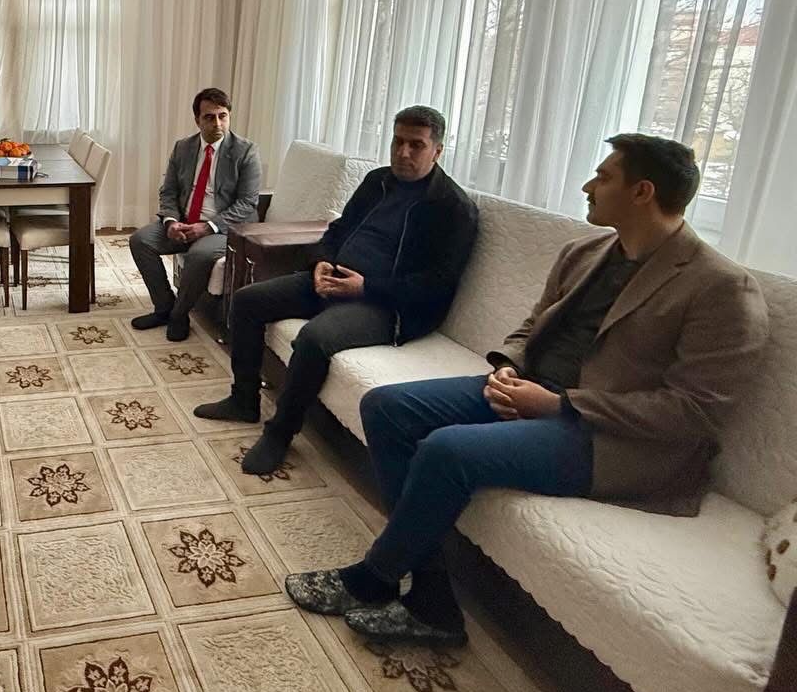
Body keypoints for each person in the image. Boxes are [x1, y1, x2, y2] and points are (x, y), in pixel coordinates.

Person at [284, 134, 769, 647]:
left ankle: (373, 578)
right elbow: (532, 325)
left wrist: (560, 405)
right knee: (386, 405)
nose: (588, 186)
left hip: (612, 438)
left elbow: (694, 412)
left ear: (642, 192)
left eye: (604, 177)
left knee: (446, 450)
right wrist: (507, 366)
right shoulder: (585, 252)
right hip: (535, 392)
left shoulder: (720, 288)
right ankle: (432, 597)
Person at [196, 106, 479, 475]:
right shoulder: (377, 181)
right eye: (397, 142)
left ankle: (280, 433)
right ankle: (243, 400)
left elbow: (437, 285)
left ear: (437, 151)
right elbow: (337, 231)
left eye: (416, 145)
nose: (403, 152)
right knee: (248, 300)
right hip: (333, 279)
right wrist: (321, 262)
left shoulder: (453, 208)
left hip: (387, 305)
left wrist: (366, 286)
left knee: (314, 339)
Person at [128, 87, 263, 342]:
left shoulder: (246, 151)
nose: (217, 123)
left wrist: (208, 226)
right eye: (209, 117)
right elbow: (168, 191)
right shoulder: (183, 147)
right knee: (140, 241)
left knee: (199, 255)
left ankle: (179, 315)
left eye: (223, 116)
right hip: (184, 221)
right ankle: (163, 308)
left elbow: (247, 203)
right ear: (197, 120)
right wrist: (171, 221)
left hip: (225, 228)